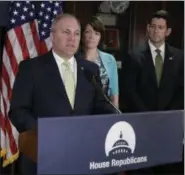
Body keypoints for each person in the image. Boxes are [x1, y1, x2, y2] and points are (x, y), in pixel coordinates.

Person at [8, 13, 117, 175]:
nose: (72, 38)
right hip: (43, 155)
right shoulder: (31, 68)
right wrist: (43, 132)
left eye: (77, 33)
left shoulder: (90, 69)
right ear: (52, 35)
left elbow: (99, 105)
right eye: (66, 32)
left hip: (82, 155)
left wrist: (117, 119)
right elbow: (18, 111)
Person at [122, 10, 184, 174]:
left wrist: (166, 116)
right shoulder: (133, 56)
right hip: (141, 124)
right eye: (153, 27)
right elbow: (129, 91)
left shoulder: (180, 57)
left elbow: (182, 90)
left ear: (168, 31)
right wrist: (148, 116)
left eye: (161, 27)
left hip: (170, 125)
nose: (156, 31)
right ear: (148, 29)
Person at [81, 16, 119, 108]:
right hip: (81, 109)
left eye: (96, 33)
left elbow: (114, 93)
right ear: (82, 35)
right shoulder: (74, 58)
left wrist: (114, 116)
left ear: (100, 37)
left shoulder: (110, 60)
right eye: (88, 32)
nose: (92, 36)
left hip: (103, 109)